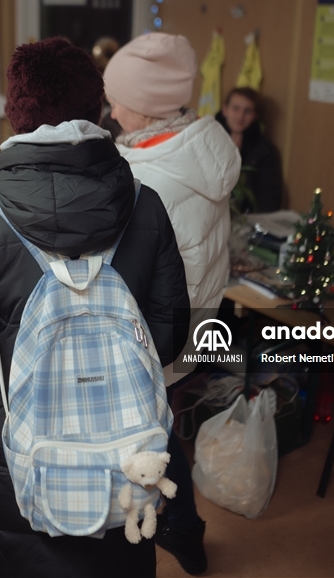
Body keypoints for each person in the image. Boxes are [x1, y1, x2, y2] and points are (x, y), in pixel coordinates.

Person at [0, 37, 190, 578]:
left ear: (16, 113)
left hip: (18, 466)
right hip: (125, 461)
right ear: (97, 109)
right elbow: (166, 339)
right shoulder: (145, 205)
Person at [105, 32, 242, 575]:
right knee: (157, 430)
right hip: (194, 323)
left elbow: (132, 275)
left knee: (148, 438)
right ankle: (181, 525)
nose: (112, 112)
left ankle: (180, 528)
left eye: (118, 101)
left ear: (145, 107)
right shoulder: (199, 150)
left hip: (154, 335)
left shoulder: (148, 177)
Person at [216, 87, 284, 213]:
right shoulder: (208, 140)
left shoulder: (264, 151)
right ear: (225, 110)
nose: (240, 116)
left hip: (247, 217)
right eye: (236, 108)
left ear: (255, 116)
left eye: (247, 111)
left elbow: (269, 198)